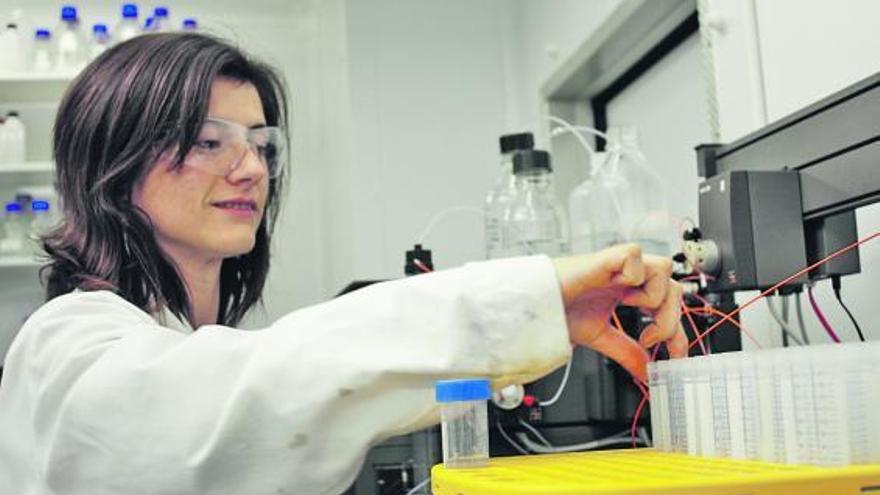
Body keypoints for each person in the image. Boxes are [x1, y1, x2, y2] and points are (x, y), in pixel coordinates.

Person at [0, 33, 687, 494]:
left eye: (262, 144)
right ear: (113, 164)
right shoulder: (66, 342)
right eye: (209, 141)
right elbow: (241, 398)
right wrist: (529, 301)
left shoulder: (184, 339)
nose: (250, 167)